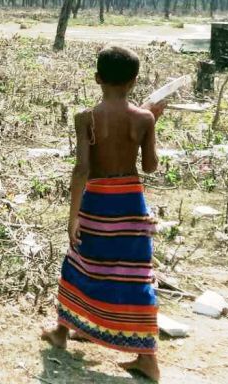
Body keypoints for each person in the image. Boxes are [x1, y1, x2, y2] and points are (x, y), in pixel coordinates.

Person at [41, 45, 166, 381]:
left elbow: (82, 169)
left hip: (96, 202)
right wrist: (154, 119)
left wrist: (73, 217)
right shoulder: (144, 117)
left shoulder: (86, 118)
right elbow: (151, 167)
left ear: (97, 78)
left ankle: (62, 333)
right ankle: (147, 357)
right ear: (135, 80)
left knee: (80, 264)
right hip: (129, 203)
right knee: (134, 274)